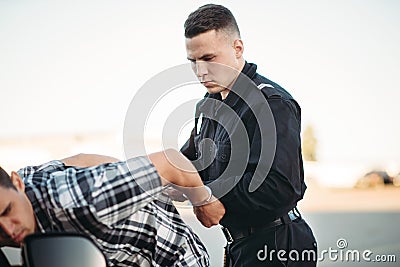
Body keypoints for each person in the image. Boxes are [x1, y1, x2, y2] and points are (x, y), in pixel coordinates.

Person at [181, 4, 317, 266]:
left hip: (278, 248)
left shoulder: (270, 102)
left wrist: (209, 196)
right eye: (193, 62)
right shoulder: (207, 106)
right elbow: (187, 164)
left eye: (209, 59)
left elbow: (279, 188)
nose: (201, 72)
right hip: (239, 247)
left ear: (238, 49)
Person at [0, 149, 211, 267]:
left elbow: (171, 163)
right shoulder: (16, 185)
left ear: (18, 184)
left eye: (7, 211)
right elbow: (79, 160)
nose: (8, 230)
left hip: (176, 259)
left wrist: (204, 202)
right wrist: (119, 174)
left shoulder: (81, 200)